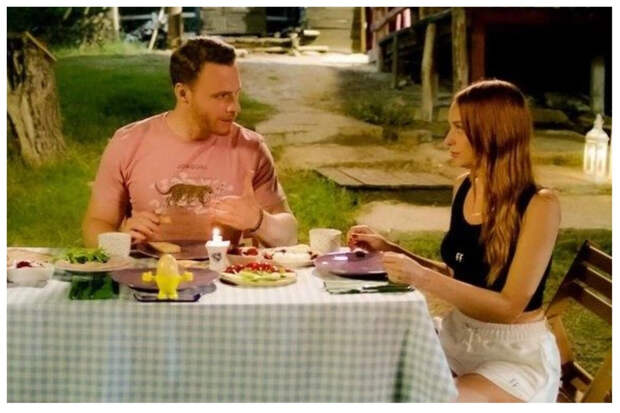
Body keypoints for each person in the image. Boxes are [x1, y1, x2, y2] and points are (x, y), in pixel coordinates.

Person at [347, 79, 561, 402]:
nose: (448, 140)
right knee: (367, 368)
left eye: (459, 128)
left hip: (514, 356)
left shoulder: (539, 205)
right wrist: (390, 249)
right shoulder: (463, 186)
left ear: (494, 132)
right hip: (456, 337)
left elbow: (508, 308)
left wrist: (421, 277)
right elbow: (456, 275)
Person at [82, 37, 297, 248]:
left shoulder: (251, 148)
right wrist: (120, 240)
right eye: (221, 96)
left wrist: (259, 221)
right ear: (183, 93)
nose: (235, 107)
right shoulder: (128, 142)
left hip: (224, 268)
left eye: (235, 94)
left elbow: (288, 237)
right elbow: (96, 224)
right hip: (148, 270)